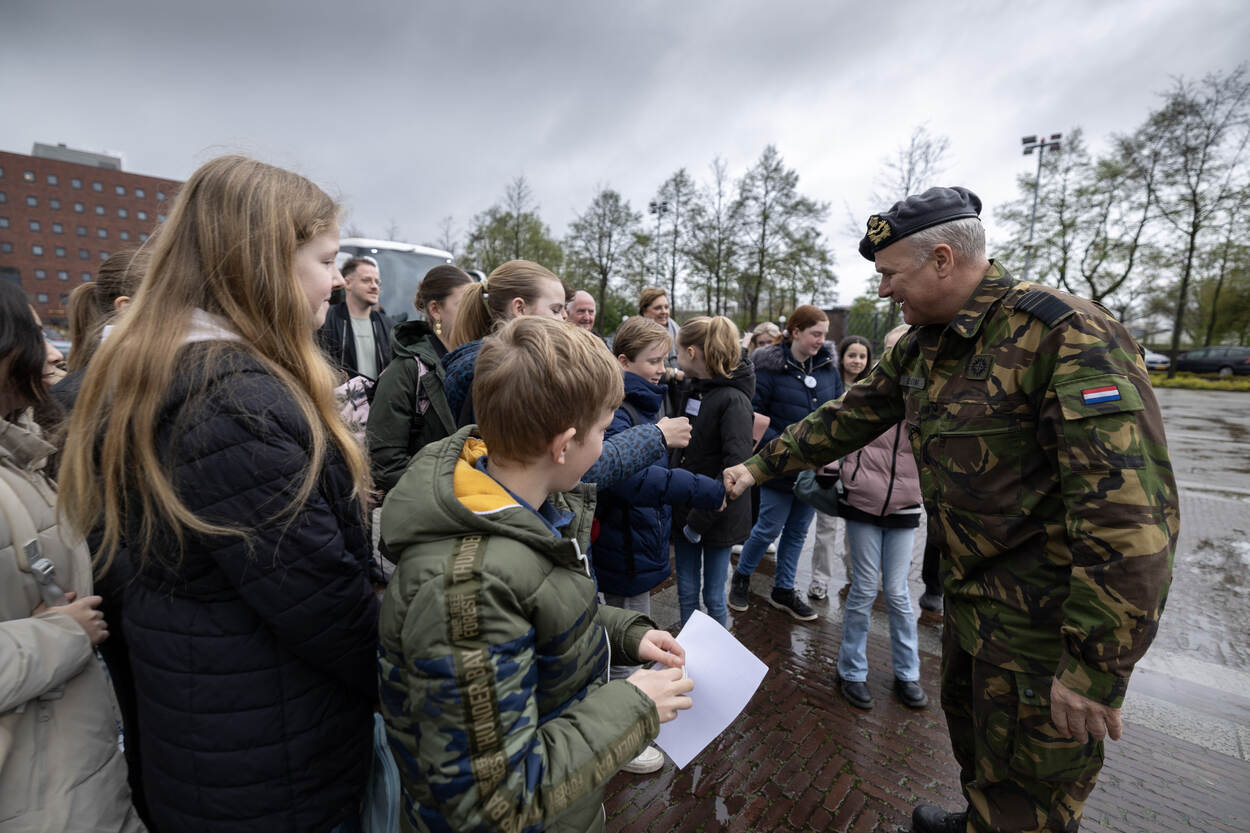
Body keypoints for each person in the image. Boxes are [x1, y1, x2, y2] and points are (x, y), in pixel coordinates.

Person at [723, 186, 1179, 833]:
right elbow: (847, 418)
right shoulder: (924, 345)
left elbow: (1131, 524)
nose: (882, 292)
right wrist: (758, 465)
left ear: (942, 259)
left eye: (888, 274)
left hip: (1043, 637)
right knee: (982, 752)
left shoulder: (1066, 336)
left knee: (1035, 805)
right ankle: (979, 815)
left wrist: (1095, 667)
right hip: (974, 611)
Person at [59, 155, 382, 833]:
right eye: (325, 259)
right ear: (265, 261)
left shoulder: (156, 374)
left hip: (211, 744)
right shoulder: (238, 407)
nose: (333, 280)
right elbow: (329, 612)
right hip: (272, 770)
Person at [378, 316, 694, 833]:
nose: (604, 446)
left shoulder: (532, 507)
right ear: (564, 445)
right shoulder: (467, 591)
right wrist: (635, 706)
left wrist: (624, 633)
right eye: (602, 430)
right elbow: (492, 801)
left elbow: (542, 606)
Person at [0, 282, 145, 833]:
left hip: (70, 770)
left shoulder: (22, 454)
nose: (55, 351)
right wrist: (61, 635)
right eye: (34, 334)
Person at [593, 315, 724, 774]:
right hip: (622, 542)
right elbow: (629, 480)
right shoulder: (620, 409)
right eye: (653, 360)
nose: (662, 368)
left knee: (632, 631)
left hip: (639, 537)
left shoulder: (650, 401)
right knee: (626, 641)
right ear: (622, 361)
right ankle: (622, 737)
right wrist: (702, 488)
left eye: (666, 358)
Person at [444, 261, 688, 487]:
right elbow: (564, 466)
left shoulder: (490, 365)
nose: (564, 318)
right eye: (556, 309)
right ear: (519, 308)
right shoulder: (504, 373)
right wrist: (656, 436)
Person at [728, 304, 843, 622]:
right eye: (814, 333)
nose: (821, 340)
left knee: (796, 533)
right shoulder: (768, 368)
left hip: (812, 470)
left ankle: (784, 589)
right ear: (795, 332)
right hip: (777, 465)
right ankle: (742, 576)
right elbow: (755, 416)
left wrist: (825, 452)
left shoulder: (828, 368)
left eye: (824, 334)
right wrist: (788, 448)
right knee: (767, 528)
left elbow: (838, 411)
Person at [834, 324, 926, 712]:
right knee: (863, 589)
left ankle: (908, 673)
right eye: (890, 349)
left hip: (905, 504)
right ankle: (851, 671)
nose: (896, 355)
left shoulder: (927, 396)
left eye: (903, 348)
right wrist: (844, 474)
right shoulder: (861, 394)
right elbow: (835, 432)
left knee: (900, 594)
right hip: (864, 503)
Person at [669, 316, 756, 628]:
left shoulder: (733, 400)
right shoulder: (695, 390)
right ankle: (688, 661)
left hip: (717, 517)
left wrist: (699, 520)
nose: (674, 360)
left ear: (692, 353)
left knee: (714, 596)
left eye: (677, 352)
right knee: (687, 593)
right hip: (685, 508)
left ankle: (719, 665)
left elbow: (736, 469)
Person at [367, 264, 473, 496]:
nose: (472, 314)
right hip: (424, 519)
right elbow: (385, 464)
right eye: (464, 305)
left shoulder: (477, 362)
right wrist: (452, 490)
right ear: (435, 309)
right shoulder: (406, 371)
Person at [808, 335, 870, 601]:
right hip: (832, 466)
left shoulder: (874, 387)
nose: (857, 361)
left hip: (861, 468)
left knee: (854, 529)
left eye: (862, 356)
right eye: (852, 355)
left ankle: (854, 574)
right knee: (826, 527)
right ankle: (820, 579)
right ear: (842, 356)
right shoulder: (830, 384)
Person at [317, 255, 394, 382]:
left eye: (377, 281)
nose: (374, 286)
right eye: (366, 280)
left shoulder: (389, 327)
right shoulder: (325, 320)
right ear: (347, 283)